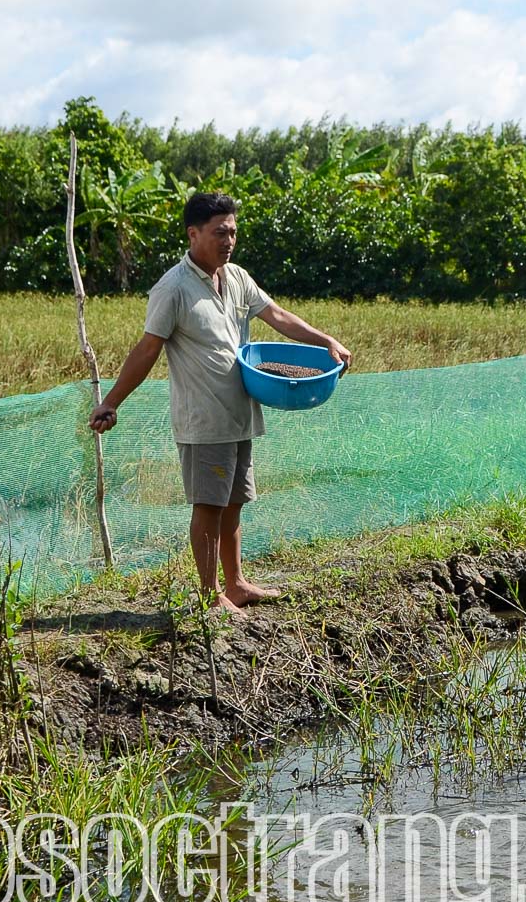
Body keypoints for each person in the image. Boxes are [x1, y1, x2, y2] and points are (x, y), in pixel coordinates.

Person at [90, 192, 351, 612]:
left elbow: (277, 316)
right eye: (219, 232)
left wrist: (326, 341)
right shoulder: (173, 288)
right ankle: (211, 596)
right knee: (209, 505)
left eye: (232, 231)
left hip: (240, 413)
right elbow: (147, 349)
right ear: (193, 234)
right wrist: (112, 401)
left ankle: (237, 584)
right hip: (204, 419)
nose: (228, 240)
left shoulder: (236, 277)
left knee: (234, 502)